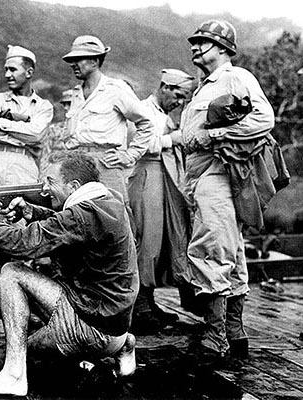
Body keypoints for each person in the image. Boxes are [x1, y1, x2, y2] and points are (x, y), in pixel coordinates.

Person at [0, 151, 139, 396]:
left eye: (51, 181)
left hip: (92, 329)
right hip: (115, 323)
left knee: (12, 273)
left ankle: (14, 375)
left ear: (73, 186)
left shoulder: (80, 215)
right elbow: (72, 225)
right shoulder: (109, 201)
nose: (45, 188)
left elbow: (19, 244)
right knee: (34, 339)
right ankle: (123, 345)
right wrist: (33, 212)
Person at [181, 20, 275, 359]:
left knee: (211, 246)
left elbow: (265, 119)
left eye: (204, 42)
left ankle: (214, 335)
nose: (196, 47)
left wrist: (219, 135)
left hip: (219, 170)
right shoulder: (204, 85)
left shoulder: (236, 77)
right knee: (230, 249)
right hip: (201, 170)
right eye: (194, 42)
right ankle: (235, 333)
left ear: (224, 49)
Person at [0, 44, 53, 286]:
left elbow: (37, 135)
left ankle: (20, 285)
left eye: (13, 69)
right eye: (5, 69)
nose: (7, 74)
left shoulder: (43, 106)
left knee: (21, 222)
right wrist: (18, 127)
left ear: (28, 72)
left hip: (24, 162)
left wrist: (0, 123)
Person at [127, 69, 195, 332]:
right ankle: (139, 304)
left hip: (163, 176)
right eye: (178, 95)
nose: (179, 102)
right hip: (146, 174)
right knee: (146, 238)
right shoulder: (141, 110)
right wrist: (170, 139)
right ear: (165, 87)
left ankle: (149, 300)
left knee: (159, 241)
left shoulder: (164, 115)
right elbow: (138, 144)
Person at [61, 35, 154, 200]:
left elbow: (146, 123)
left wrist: (130, 154)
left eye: (79, 59)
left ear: (95, 61)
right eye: (72, 60)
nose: (73, 64)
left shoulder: (116, 89)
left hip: (105, 165)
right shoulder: (76, 94)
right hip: (76, 165)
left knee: (113, 217)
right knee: (78, 215)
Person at [39, 89, 73, 177]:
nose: (66, 108)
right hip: (58, 171)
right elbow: (46, 156)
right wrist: (43, 176)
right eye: (64, 104)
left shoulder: (87, 130)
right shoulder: (54, 129)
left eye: (70, 104)